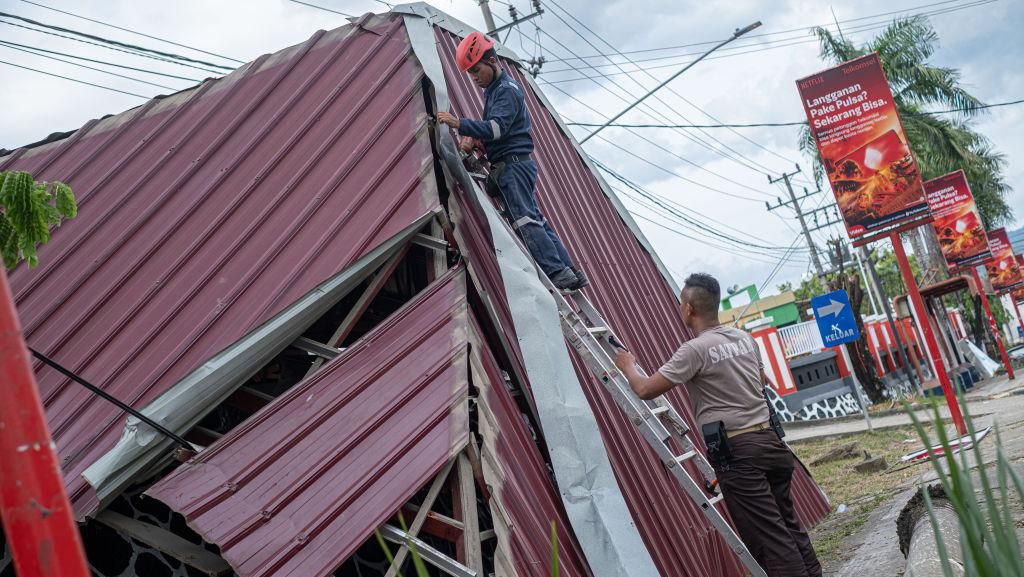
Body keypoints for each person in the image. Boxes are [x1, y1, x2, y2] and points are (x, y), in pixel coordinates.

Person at [613, 273, 822, 577]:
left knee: (771, 540)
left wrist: (628, 366)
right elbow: (761, 379)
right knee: (789, 526)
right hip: (772, 444)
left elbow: (645, 390)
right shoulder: (743, 338)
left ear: (688, 309)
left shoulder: (694, 350)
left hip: (741, 453)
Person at [435, 31, 587, 292]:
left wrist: (460, 124)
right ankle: (569, 271)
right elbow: (501, 131)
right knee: (535, 218)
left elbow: (496, 129)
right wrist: (476, 139)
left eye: (476, 70)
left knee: (525, 220)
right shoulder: (499, 90)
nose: (474, 78)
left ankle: (557, 273)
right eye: (469, 73)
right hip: (517, 163)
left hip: (513, 166)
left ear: (492, 61)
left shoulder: (504, 91)